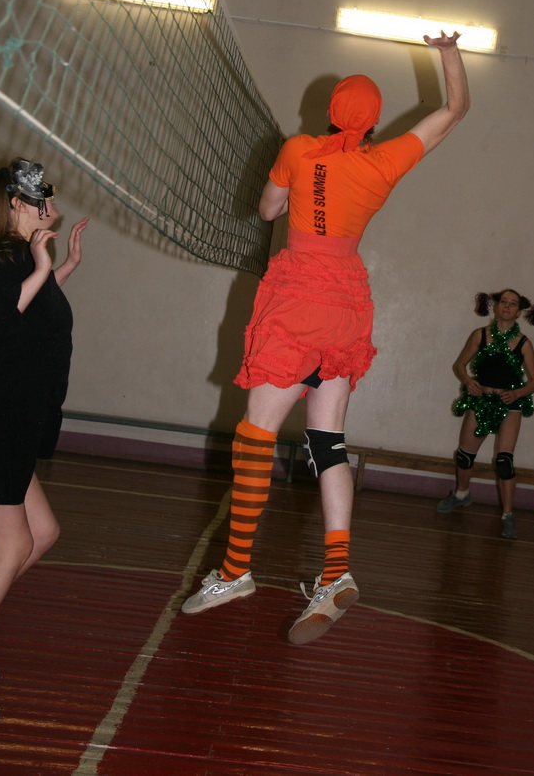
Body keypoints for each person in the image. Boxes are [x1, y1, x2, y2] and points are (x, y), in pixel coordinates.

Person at [182, 32, 470, 644]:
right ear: (373, 121)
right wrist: (447, 52)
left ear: (333, 110)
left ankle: (235, 571)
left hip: (297, 298)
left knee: (256, 434)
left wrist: (296, 190)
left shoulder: (298, 150)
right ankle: (336, 572)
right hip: (348, 302)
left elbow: (267, 211)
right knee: (327, 440)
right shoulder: (384, 162)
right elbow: (453, 110)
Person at [0, 158, 88, 726]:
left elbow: (26, 314)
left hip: (8, 426)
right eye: (40, 196)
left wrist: (59, 268)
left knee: (40, 534)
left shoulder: (18, 258)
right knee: (10, 547)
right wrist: (43, 266)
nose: (51, 202)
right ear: (17, 205)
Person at [437, 289, 534, 540]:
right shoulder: (480, 335)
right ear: (496, 307)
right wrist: (469, 382)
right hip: (481, 400)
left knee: (504, 461)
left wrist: (516, 393)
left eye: (512, 303)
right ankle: (462, 494)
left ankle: (508, 514)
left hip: (509, 404)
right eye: (503, 302)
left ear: (519, 312)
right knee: (464, 456)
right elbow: (459, 365)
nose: (506, 306)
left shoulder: (524, 343)